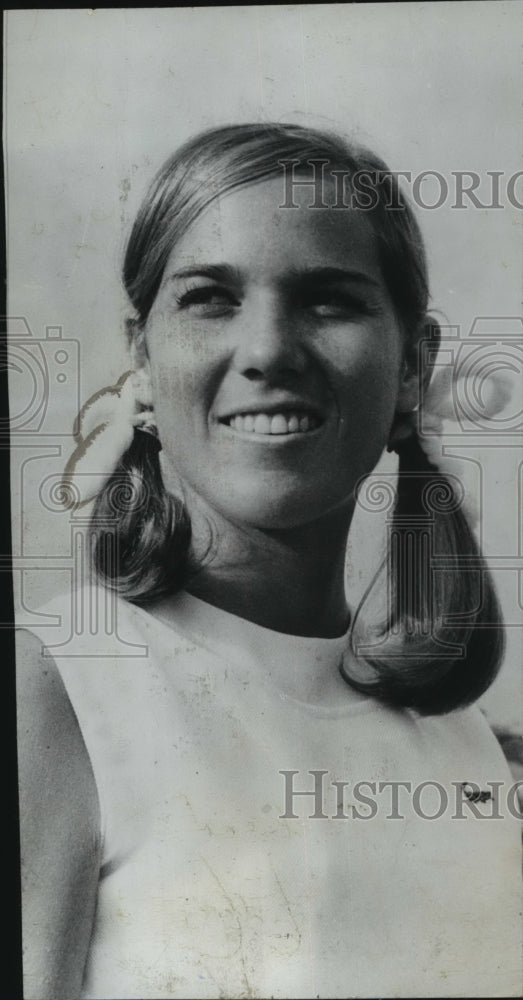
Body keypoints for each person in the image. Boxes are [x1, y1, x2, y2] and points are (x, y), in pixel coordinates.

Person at [16, 123, 522, 999]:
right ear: (143, 356)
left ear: (412, 368)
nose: (266, 352)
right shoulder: (56, 689)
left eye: (329, 299)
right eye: (210, 298)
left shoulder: (471, 754)